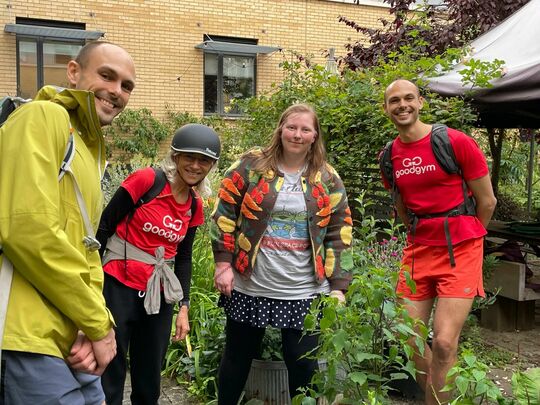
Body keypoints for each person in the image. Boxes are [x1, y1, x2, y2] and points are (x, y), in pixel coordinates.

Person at [0, 41, 136, 404]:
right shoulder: (42, 117)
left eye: (126, 86)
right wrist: (98, 324)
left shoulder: (87, 147)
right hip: (28, 335)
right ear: (73, 72)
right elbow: (28, 231)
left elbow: (86, 251)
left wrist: (89, 324)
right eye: (106, 76)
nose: (116, 91)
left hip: (70, 333)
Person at [211, 103, 354, 404]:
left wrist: (339, 286)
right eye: (292, 127)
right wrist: (223, 264)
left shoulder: (327, 177)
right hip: (251, 284)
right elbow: (223, 211)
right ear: (280, 129)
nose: (297, 135)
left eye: (305, 129)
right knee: (237, 358)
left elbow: (340, 231)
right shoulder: (251, 166)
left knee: (303, 364)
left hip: (304, 289)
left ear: (315, 135)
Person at [381, 79, 497, 404]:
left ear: (420, 102)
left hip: (462, 249)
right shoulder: (390, 156)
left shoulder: (455, 142)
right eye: (394, 101)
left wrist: (469, 234)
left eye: (408, 98)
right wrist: (422, 232)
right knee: (409, 339)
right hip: (419, 251)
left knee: (445, 343)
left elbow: (487, 201)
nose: (402, 105)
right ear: (386, 109)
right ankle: (443, 399)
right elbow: (402, 207)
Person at [96, 123, 221, 405]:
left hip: (159, 292)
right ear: (175, 157)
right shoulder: (147, 181)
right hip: (119, 281)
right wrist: (91, 281)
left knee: (150, 372)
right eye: (189, 157)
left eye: (204, 160)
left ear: (211, 166)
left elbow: (184, 257)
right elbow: (104, 227)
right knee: (111, 367)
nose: (195, 165)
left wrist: (184, 307)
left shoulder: (194, 205)